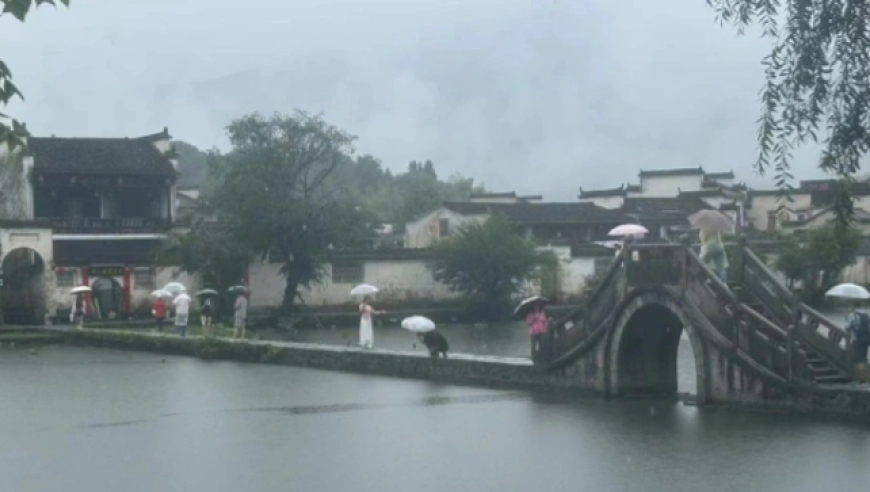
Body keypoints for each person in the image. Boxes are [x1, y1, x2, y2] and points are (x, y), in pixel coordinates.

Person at [846, 303, 870, 384]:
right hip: (865, 341)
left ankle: (860, 380)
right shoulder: (866, 315)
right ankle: (864, 379)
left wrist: (847, 317)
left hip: (856, 340)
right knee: (863, 360)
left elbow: (847, 327)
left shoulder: (853, 315)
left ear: (853, 306)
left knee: (857, 361)